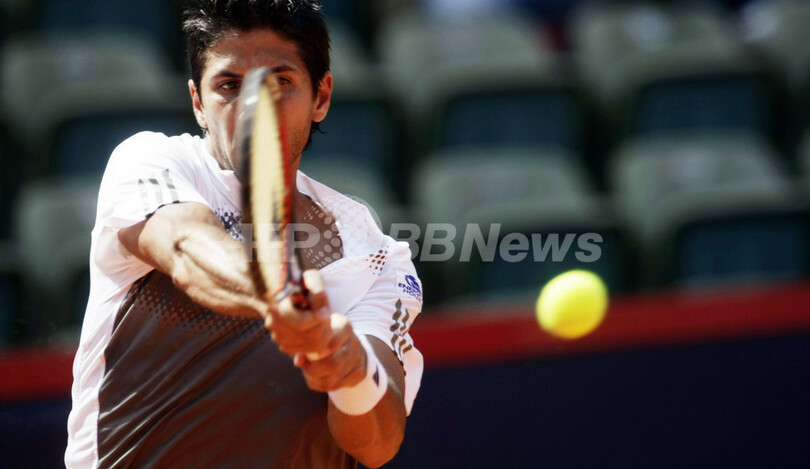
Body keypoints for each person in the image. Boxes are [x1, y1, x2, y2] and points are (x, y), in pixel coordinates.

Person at [65, 1, 423, 467]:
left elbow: (377, 443)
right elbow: (185, 247)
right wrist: (277, 293)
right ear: (198, 103)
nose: (256, 108)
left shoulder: (372, 253)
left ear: (321, 97)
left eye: (279, 82)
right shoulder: (151, 161)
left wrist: (348, 367)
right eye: (229, 86)